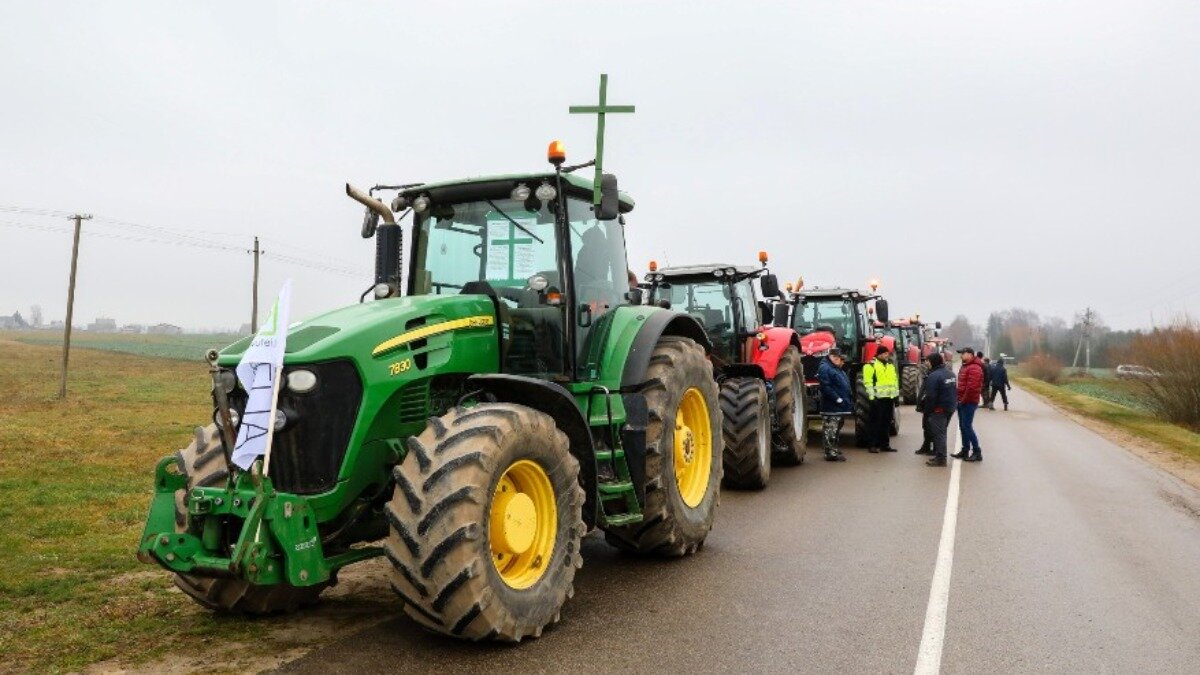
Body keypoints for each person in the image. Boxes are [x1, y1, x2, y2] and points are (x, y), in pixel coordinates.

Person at [919, 352, 957, 466]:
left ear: (933, 362)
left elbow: (931, 396)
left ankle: (941, 458)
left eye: (928, 361)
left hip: (938, 409)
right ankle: (940, 456)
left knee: (939, 434)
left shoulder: (934, 376)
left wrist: (928, 411)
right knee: (942, 432)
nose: (926, 363)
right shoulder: (950, 374)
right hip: (949, 407)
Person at [817, 348, 853, 462]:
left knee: (836, 429)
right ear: (833, 357)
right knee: (830, 429)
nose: (841, 361)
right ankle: (830, 453)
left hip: (838, 406)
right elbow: (825, 387)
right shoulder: (825, 368)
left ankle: (834, 449)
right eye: (838, 359)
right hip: (831, 406)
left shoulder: (835, 368)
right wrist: (837, 399)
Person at [862, 345, 899, 453]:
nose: (887, 355)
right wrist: (872, 398)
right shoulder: (870, 366)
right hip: (877, 400)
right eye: (885, 353)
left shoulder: (890, 366)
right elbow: (868, 383)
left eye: (888, 353)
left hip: (889, 399)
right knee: (875, 423)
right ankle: (872, 445)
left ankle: (885, 445)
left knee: (886, 423)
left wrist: (895, 397)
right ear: (880, 354)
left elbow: (894, 382)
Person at [951, 348, 984, 462]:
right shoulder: (965, 366)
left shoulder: (975, 367)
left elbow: (972, 388)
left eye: (963, 354)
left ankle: (977, 451)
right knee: (963, 427)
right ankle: (965, 450)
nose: (961, 356)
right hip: (962, 401)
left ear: (970, 354)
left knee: (967, 427)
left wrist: (963, 400)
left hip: (969, 402)